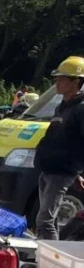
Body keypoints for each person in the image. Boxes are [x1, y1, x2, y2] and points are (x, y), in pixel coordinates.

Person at [33, 56, 84, 240]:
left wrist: (76, 170)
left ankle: (52, 260)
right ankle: (47, 255)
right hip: (48, 170)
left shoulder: (80, 109)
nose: (57, 82)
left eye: (62, 78)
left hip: (61, 173)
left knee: (44, 220)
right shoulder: (62, 107)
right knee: (50, 220)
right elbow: (58, 139)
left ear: (76, 82)